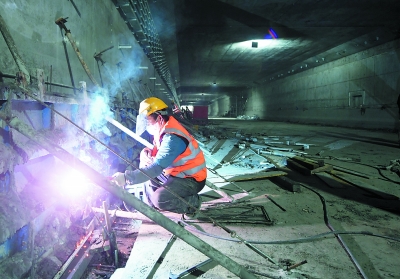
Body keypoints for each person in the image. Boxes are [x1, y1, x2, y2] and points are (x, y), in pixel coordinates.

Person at [112, 97, 207, 216]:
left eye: (148, 120)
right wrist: (145, 152)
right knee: (148, 168)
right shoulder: (163, 128)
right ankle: (151, 207)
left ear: (159, 116)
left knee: (160, 199)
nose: (147, 124)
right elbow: (158, 151)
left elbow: (156, 168)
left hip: (192, 179)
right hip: (177, 173)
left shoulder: (173, 138)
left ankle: (193, 204)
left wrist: (127, 178)